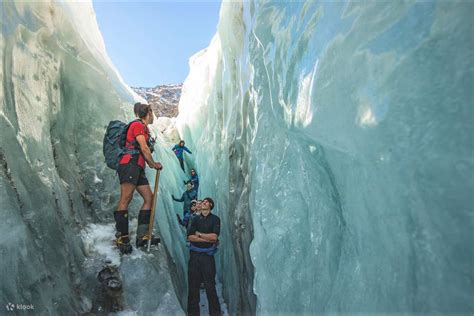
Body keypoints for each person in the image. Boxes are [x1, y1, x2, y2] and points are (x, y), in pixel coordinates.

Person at [115, 102, 162, 254]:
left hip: (138, 167)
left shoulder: (145, 129)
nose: (153, 115)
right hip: (130, 164)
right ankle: (122, 238)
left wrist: (148, 163)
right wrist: (153, 163)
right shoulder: (138, 126)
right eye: (152, 112)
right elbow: (144, 147)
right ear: (147, 113)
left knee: (149, 197)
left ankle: (142, 236)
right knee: (125, 198)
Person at [187, 197, 221, 316]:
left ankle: (215, 314)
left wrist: (200, 235)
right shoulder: (195, 219)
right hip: (195, 256)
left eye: (206, 202)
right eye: (202, 202)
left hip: (207, 257)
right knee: (193, 287)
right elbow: (190, 237)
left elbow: (214, 237)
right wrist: (208, 239)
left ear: (210, 205)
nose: (203, 203)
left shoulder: (215, 219)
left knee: (210, 286)